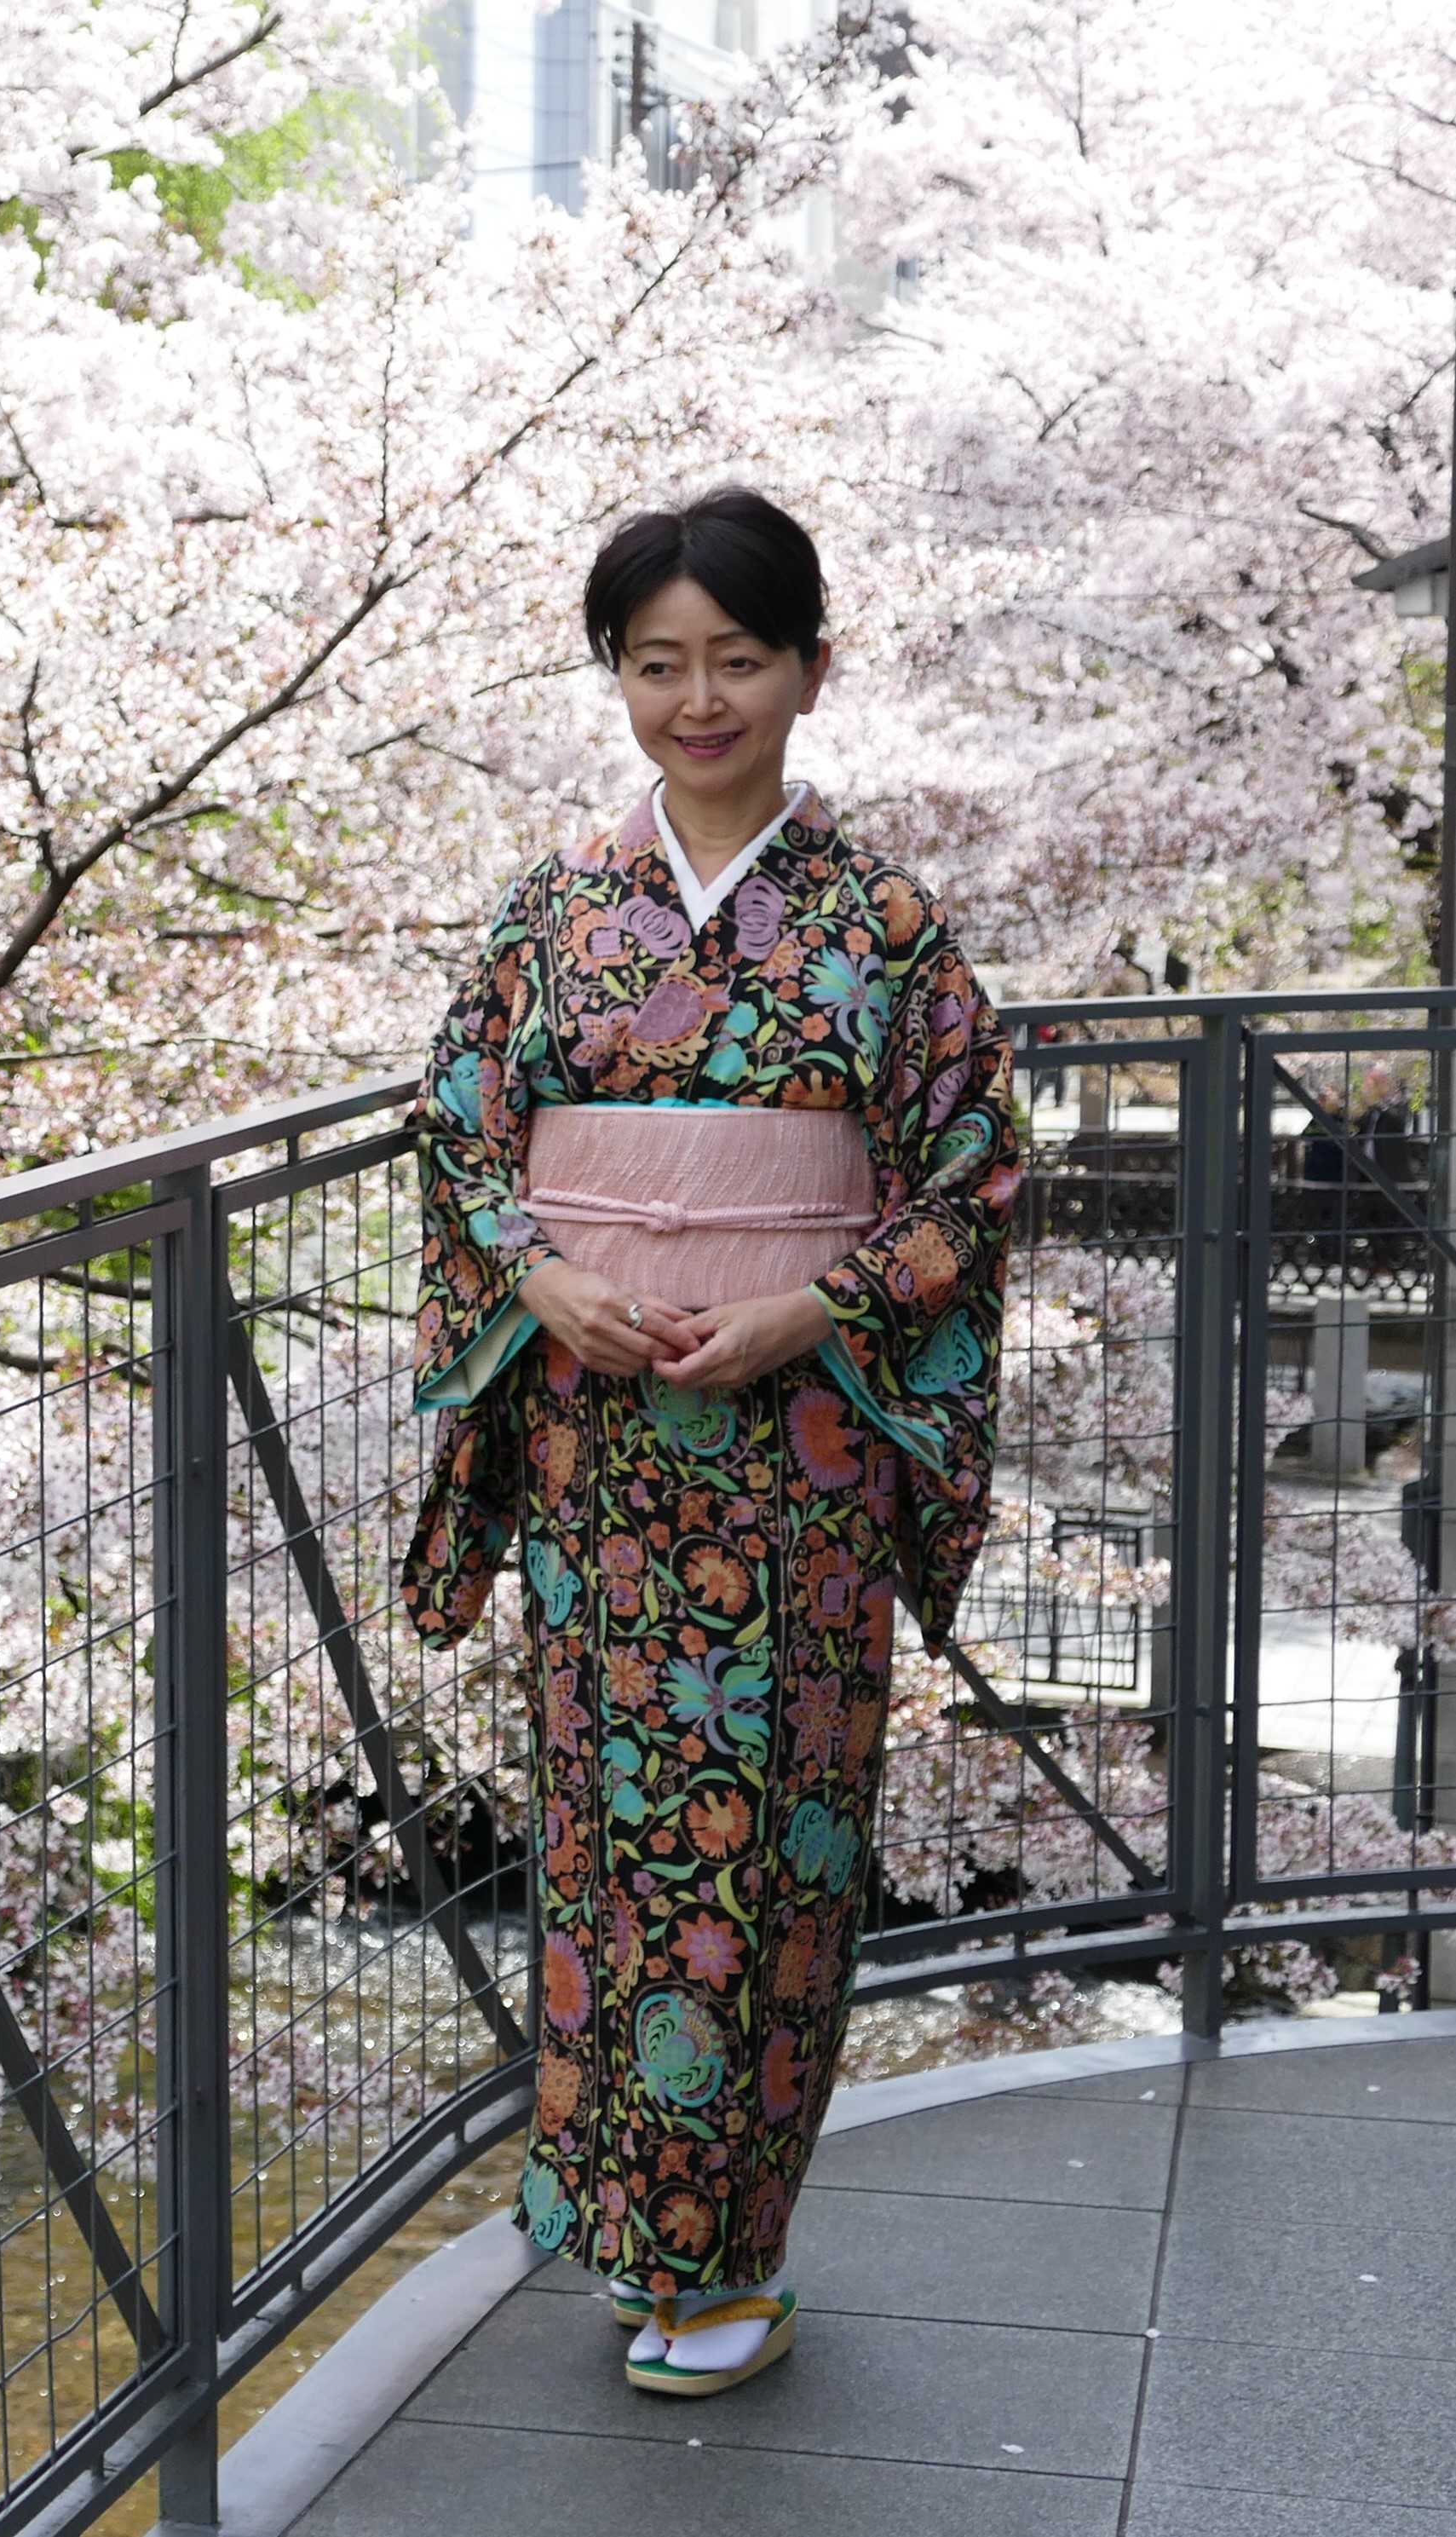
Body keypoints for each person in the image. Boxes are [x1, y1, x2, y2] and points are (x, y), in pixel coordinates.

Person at [400, 488, 1023, 2396]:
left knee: (778, 1847)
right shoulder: (549, 915)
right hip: (597, 1454)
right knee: (604, 1837)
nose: (697, 700)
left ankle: (729, 2252)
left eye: (736, 660)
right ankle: (632, 2224)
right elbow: (458, 1133)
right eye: (657, 662)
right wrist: (539, 1275)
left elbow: (972, 1172)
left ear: (810, 670)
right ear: (616, 676)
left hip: (800, 1452)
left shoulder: (884, 927)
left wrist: (812, 1307)